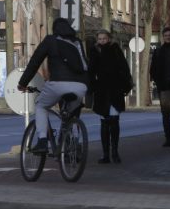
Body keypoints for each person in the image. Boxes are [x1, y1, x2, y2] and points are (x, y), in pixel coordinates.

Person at [18, 18, 90, 154]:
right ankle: (73, 144)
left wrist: (23, 83)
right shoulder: (78, 42)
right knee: (72, 114)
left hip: (58, 83)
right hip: (81, 86)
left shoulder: (50, 40)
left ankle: (42, 141)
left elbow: (35, 61)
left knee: (41, 105)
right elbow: (85, 65)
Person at [88, 29, 133, 163]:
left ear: (109, 39)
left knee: (114, 122)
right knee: (104, 123)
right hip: (102, 91)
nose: (102, 41)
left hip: (114, 90)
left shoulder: (115, 49)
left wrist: (125, 85)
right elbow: (91, 70)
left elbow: (124, 68)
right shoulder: (94, 51)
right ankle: (106, 154)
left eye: (104, 38)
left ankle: (115, 152)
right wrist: (93, 86)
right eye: (100, 39)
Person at [150, 26, 170, 147]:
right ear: (163, 37)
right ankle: (168, 139)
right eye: (166, 36)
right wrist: (158, 82)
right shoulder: (158, 51)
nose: (168, 37)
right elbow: (153, 69)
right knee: (165, 115)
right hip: (164, 87)